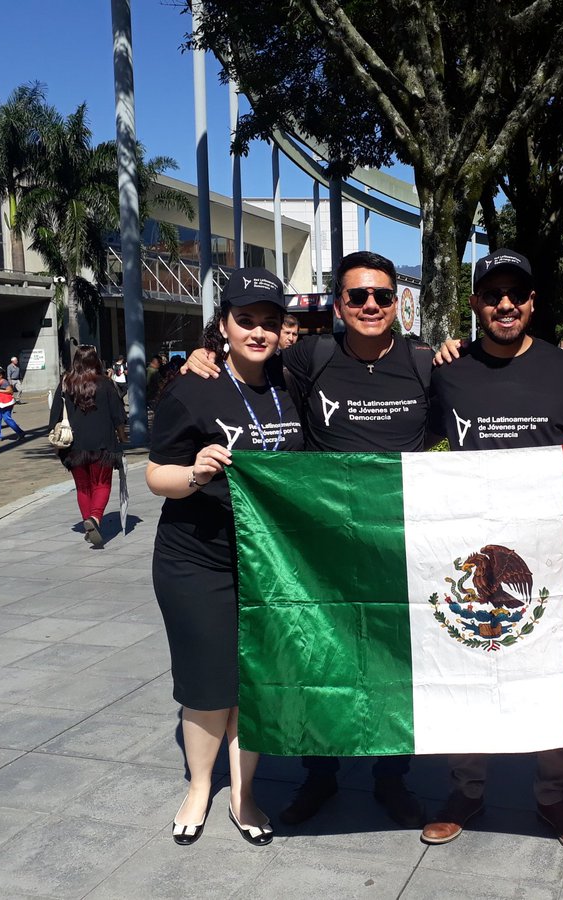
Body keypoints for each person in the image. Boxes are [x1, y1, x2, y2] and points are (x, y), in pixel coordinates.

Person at [184, 250, 434, 829]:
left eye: (381, 295)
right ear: (338, 305)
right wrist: (205, 353)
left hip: (397, 545)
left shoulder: (426, 363)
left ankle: (391, 778)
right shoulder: (309, 358)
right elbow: (251, 359)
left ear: (397, 301)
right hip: (320, 548)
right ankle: (317, 776)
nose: (370, 305)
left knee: (391, 663)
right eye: (356, 296)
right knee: (320, 657)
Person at [423, 250, 563, 854]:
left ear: (531, 304)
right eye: (492, 294)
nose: (504, 304)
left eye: (516, 295)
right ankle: (466, 790)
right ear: (474, 304)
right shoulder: (447, 372)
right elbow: (411, 453)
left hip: (548, 551)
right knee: (465, 664)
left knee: (551, 673)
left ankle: (555, 796)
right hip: (467, 546)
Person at [147, 268, 301, 848]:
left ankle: (244, 794)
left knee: (256, 684)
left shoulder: (293, 382)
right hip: (196, 560)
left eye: (269, 322)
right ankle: (198, 787)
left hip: (268, 562)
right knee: (208, 683)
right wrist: (195, 472)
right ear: (223, 325)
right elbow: (155, 473)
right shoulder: (192, 386)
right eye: (246, 320)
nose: (257, 332)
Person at [47, 345, 126, 548]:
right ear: (96, 361)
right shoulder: (106, 384)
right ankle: (96, 519)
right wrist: (122, 436)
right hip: (102, 445)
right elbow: (118, 416)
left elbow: (54, 417)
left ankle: (89, 522)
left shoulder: (65, 384)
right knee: (102, 483)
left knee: (83, 487)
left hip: (73, 446)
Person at [0, 368, 25, 442]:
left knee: (7, 418)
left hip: (5, 404)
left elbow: (10, 391)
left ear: (0, 375)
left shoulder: (4, 382)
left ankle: (20, 432)